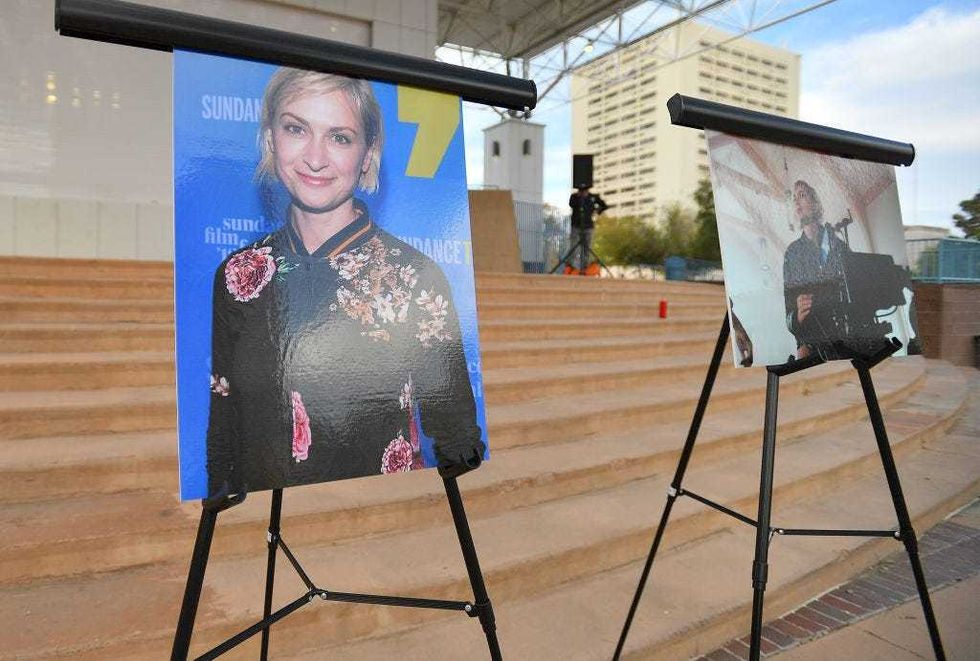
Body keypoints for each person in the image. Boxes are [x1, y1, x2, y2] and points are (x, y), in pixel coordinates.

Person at [206, 68, 484, 498]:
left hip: (380, 529)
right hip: (259, 521)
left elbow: (457, 437)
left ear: (368, 153)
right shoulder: (238, 277)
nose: (315, 158)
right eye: (296, 128)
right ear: (269, 137)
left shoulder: (415, 279)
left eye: (340, 137)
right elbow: (224, 425)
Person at [568, 186, 608, 272]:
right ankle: (573, 268)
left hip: (588, 226)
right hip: (576, 225)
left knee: (587, 249)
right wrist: (580, 197)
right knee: (574, 248)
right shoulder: (574, 196)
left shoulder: (593, 197)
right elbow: (571, 204)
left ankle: (584, 268)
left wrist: (597, 211)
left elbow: (604, 205)